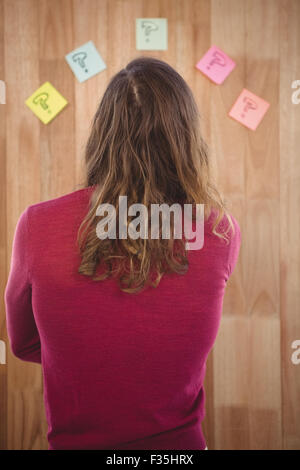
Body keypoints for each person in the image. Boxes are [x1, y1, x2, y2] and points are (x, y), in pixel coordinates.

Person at [4, 57, 241, 450]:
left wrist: (88, 356)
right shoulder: (219, 233)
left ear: (102, 134)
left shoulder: (38, 225)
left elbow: (25, 343)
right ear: (186, 139)